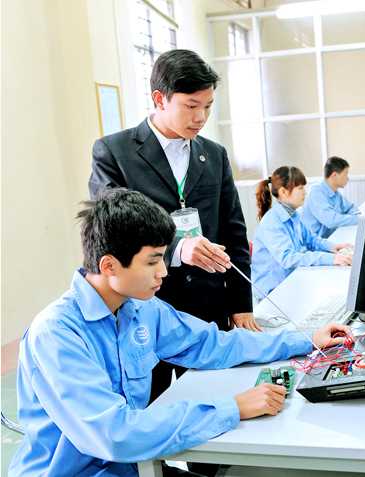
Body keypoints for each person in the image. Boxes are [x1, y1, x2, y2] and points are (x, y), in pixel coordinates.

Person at [9, 188, 351, 477]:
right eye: (152, 261)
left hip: (132, 467)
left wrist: (305, 340)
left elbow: (211, 344)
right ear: (109, 265)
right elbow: (115, 434)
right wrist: (232, 408)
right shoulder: (56, 335)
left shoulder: (141, 308)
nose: (163, 272)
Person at [89, 49, 261, 410]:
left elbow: (234, 231)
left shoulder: (214, 155)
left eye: (208, 106)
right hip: (144, 310)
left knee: (214, 407)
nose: (201, 117)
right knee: (147, 410)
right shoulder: (115, 152)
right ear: (159, 99)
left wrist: (241, 303)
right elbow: (114, 228)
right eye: (191, 106)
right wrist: (178, 250)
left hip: (207, 309)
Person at [251, 166, 352, 299]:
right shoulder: (271, 222)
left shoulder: (294, 215)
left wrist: (333, 247)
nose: (305, 192)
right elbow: (288, 258)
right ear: (283, 192)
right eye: (300, 188)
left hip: (291, 281)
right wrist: (331, 258)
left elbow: (311, 240)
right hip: (273, 292)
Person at [301, 156, 360, 238]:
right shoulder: (316, 193)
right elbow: (331, 221)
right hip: (316, 241)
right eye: (345, 174)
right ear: (334, 175)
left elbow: (351, 208)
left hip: (331, 237)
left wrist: (354, 217)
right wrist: (359, 219)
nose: (347, 178)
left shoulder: (335, 194)